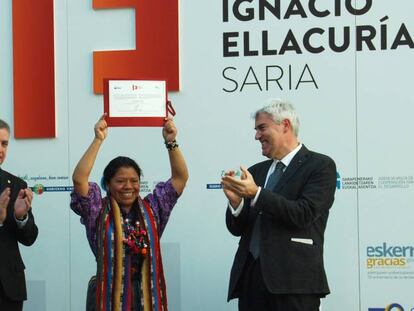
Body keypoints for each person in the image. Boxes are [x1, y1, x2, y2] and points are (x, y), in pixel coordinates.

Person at [221, 99, 336, 311]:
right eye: (256, 130)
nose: (256, 136)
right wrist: (236, 203)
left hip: (294, 282)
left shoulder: (320, 166)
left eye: (262, 128)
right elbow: (237, 229)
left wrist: (256, 194)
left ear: (285, 125)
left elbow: (304, 213)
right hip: (251, 279)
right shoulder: (256, 171)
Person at [70, 114, 188, 311]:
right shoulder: (96, 209)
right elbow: (79, 179)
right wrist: (98, 139)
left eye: (134, 180)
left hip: (147, 298)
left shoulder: (153, 208)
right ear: (107, 184)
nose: (128, 186)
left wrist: (171, 142)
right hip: (107, 300)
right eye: (120, 181)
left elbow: (180, 178)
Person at [0, 119, 38, 311]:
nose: (0, 149)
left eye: (4, 143)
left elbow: (30, 238)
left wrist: (21, 218)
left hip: (8, 289)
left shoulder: (16, 185)